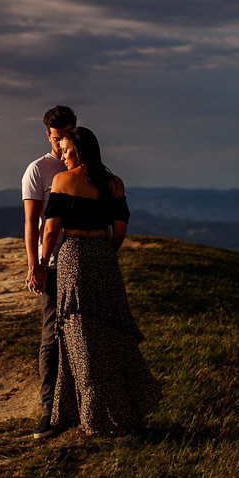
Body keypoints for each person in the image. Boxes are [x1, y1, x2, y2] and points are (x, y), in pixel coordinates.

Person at [38, 127, 161, 436]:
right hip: (104, 257)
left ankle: (91, 416)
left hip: (74, 256)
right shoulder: (114, 184)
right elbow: (119, 229)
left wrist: (41, 263)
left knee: (78, 335)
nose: (63, 156)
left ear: (78, 151)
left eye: (66, 151)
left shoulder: (62, 181)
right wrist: (105, 253)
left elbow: (51, 230)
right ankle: (125, 407)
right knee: (110, 330)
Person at [22, 105, 77, 439]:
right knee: (51, 337)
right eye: (55, 139)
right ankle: (48, 412)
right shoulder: (37, 170)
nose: (60, 145)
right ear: (48, 135)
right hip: (54, 264)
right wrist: (34, 265)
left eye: (65, 137)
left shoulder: (83, 165)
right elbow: (31, 222)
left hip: (83, 261)